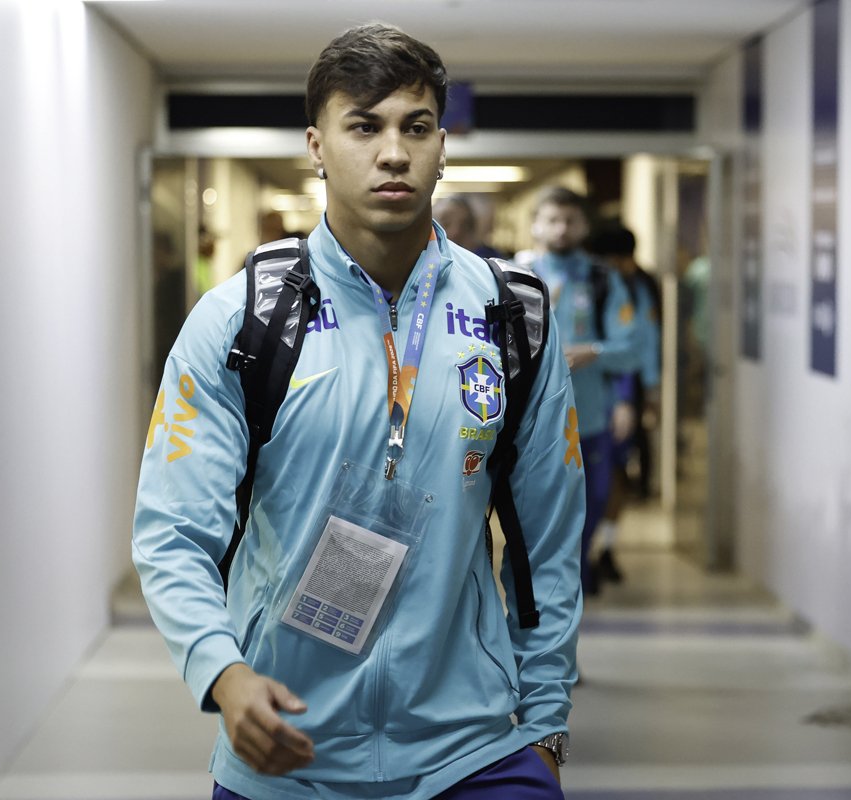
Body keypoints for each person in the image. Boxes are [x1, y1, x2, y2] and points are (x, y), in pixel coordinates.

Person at [133, 23, 584, 800]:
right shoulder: (241, 321)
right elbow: (173, 531)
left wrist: (544, 725)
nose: (393, 152)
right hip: (288, 757)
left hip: (473, 753)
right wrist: (224, 674)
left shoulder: (513, 318)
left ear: (444, 144)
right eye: (363, 126)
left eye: (416, 127)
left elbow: (550, 543)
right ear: (317, 144)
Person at [517, 187, 642, 596]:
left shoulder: (603, 279)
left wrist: (594, 352)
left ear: (584, 226)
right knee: (531, 512)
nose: (561, 229)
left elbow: (631, 348)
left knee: (589, 502)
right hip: (528, 423)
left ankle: (576, 580)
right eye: (552, 219)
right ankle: (537, 589)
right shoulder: (517, 276)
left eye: (570, 220)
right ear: (536, 225)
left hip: (587, 418)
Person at [586, 223, 662, 582]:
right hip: (595, 389)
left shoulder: (641, 286)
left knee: (619, 474)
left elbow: (647, 343)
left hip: (626, 389)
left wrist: (650, 391)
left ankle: (606, 548)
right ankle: (586, 552)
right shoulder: (592, 283)